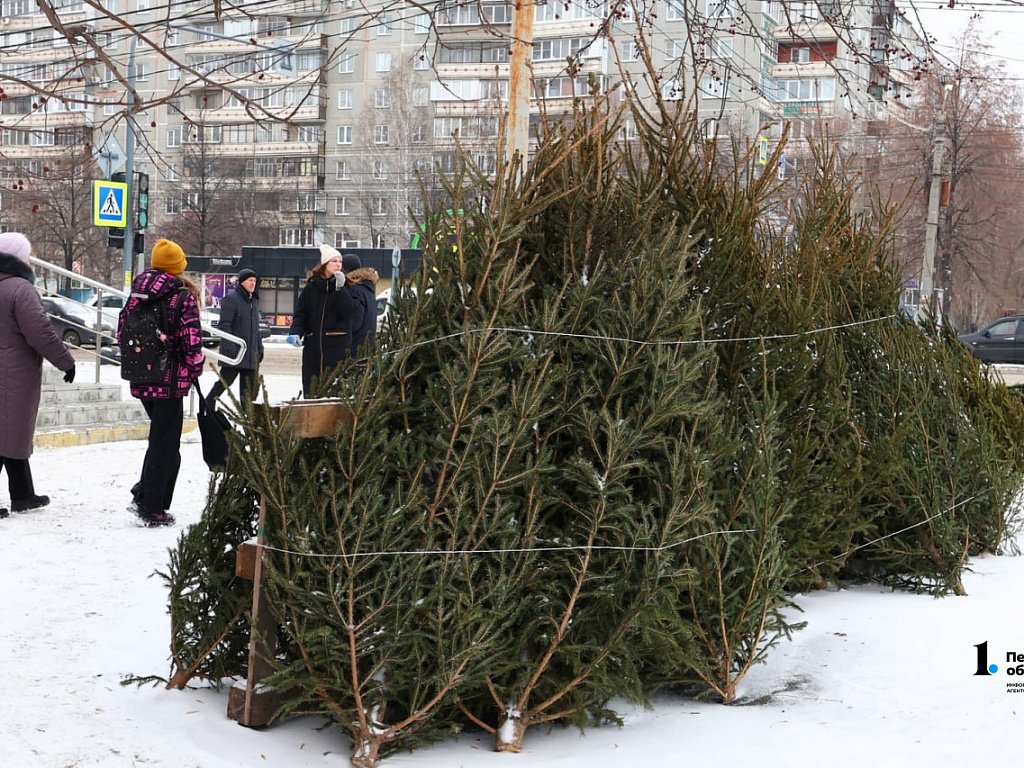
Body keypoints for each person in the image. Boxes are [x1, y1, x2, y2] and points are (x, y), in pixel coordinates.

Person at [118, 238, 204, 527]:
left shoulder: (137, 294)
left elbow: (122, 331)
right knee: (164, 443)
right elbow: (191, 340)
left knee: (164, 441)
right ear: (177, 267)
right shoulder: (182, 297)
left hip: (142, 376)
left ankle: (146, 493)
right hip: (170, 379)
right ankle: (150, 505)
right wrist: (195, 368)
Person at [0, 232, 77, 518]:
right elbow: (40, 333)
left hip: (8, 371)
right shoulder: (20, 289)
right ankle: (22, 495)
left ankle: (23, 494)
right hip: (13, 374)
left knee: (9, 433)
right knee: (11, 431)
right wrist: (66, 362)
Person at [287, 244, 356, 397]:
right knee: (311, 390)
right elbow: (301, 314)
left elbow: (350, 313)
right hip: (313, 350)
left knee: (334, 392)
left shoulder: (348, 287)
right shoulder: (311, 288)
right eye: (334, 261)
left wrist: (340, 289)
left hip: (336, 349)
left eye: (340, 261)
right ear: (325, 264)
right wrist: (295, 332)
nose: (339, 264)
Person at [207, 268, 264, 406]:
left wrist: (259, 348)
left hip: (250, 356)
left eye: (255, 281)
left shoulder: (253, 302)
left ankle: (247, 422)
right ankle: (207, 405)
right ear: (242, 282)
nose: (253, 283)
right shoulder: (231, 299)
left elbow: (255, 329)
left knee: (248, 394)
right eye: (250, 280)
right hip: (234, 354)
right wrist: (231, 348)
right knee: (224, 383)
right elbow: (225, 325)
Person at [341, 253, 379, 358]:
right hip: (366, 350)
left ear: (345, 270)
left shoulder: (353, 290)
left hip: (353, 352)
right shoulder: (367, 289)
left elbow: (354, 323)